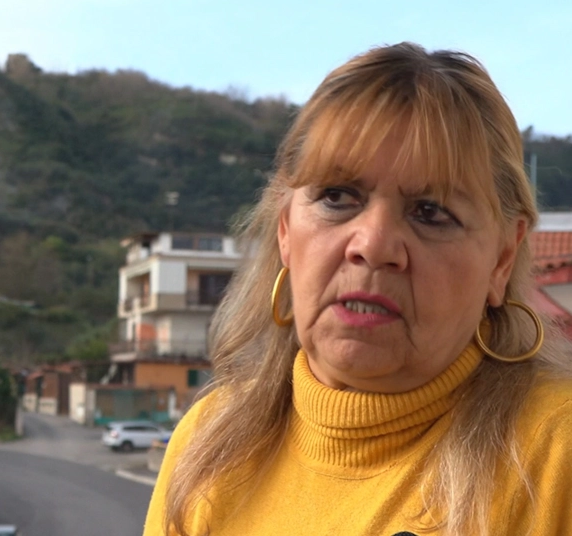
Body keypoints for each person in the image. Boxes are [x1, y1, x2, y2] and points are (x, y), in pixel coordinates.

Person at [144, 42, 572, 536]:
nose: (372, 245)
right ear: (285, 229)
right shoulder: (207, 445)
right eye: (337, 196)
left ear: (501, 258)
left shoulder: (554, 456)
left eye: (431, 212)